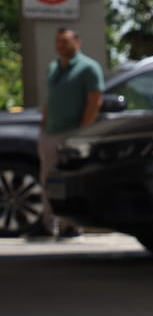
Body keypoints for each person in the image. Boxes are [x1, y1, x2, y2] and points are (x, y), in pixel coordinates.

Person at [33, 27, 103, 241]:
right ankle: (48, 224)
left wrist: (81, 133)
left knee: (69, 181)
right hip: (50, 133)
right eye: (58, 41)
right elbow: (50, 100)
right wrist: (44, 125)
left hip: (72, 134)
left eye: (65, 41)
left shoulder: (89, 68)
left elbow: (94, 101)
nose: (60, 45)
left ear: (77, 43)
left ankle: (70, 225)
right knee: (47, 180)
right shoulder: (54, 67)